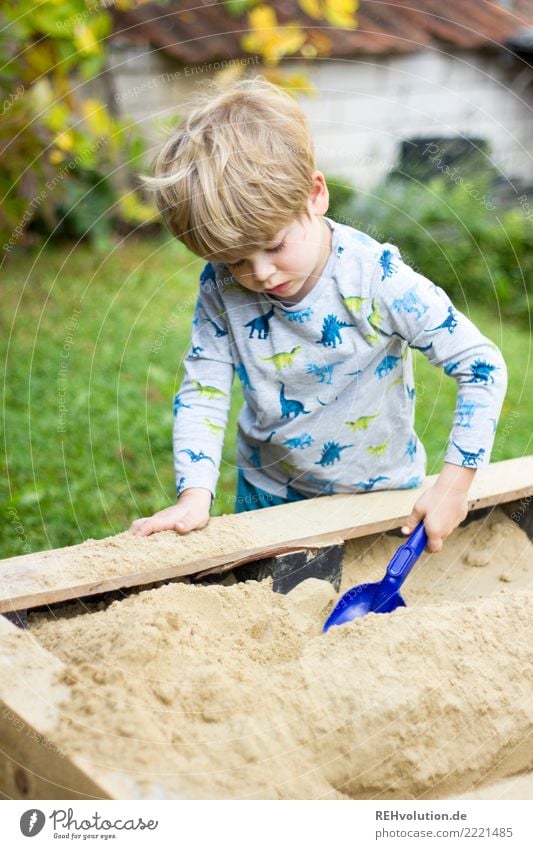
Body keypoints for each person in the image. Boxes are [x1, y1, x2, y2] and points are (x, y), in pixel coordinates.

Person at [130, 76, 507, 553]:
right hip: (267, 497)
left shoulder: (375, 277)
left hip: (381, 500)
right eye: (236, 260)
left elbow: (481, 366)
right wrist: (194, 494)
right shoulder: (221, 285)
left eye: (273, 245)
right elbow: (203, 389)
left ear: (314, 195)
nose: (260, 273)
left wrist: (453, 489)